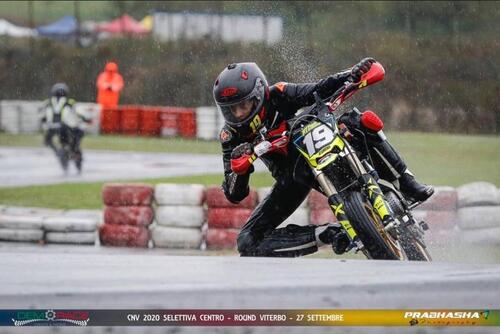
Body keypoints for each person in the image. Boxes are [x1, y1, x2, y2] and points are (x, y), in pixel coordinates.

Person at [212, 59, 434, 257]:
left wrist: (352, 74)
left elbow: (317, 90)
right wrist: (239, 170)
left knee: (357, 120)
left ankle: (405, 181)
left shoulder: (279, 94)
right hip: (294, 177)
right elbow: (234, 194)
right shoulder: (230, 136)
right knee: (247, 242)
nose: (238, 114)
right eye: (231, 110)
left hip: (321, 141)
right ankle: (327, 234)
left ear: (259, 94)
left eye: (244, 105)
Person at [40, 83, 90, 173]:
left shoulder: (47, 103)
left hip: (52, 129)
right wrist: (86, 119)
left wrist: (46, 124)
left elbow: (42, 118)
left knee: (48, 141)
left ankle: (58, 152)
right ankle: (74, 152)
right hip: (65, 127)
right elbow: (80, 114)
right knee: (78, 136)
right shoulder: (70, 102)